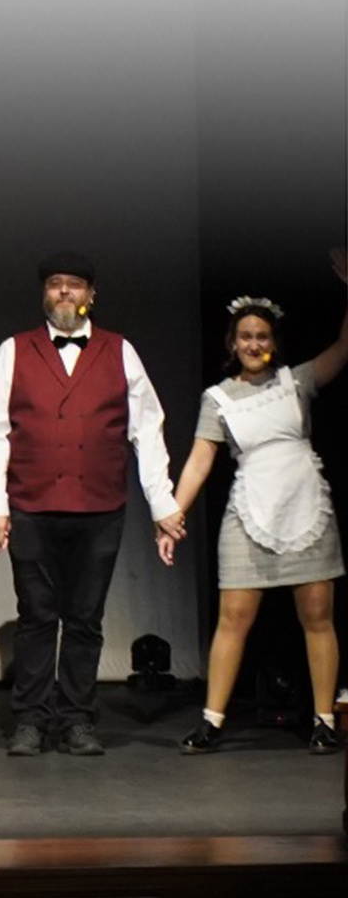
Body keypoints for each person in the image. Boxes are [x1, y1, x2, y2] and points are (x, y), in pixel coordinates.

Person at [0, 252, 184, 757]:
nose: (65, 292)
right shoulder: (13, 350)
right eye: (55, 284)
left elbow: (147, 430)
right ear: (44, 293)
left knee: (85, 618)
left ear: (91, 294)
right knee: (36, 616)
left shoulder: (120, 351)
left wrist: (162, 502)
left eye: (74, 284)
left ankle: (77, 719)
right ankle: (30, 719)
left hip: (99, 508)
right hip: (31, 506)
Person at [166, 252, 348, 756]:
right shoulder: (218, 398)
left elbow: (344, 348)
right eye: (245, 336)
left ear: (274, 343)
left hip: (306, 507)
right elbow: (200, 461)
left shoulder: (297, 381)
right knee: (233, 619)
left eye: (262, 336)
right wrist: (173, 514)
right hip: (249, 513)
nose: (253, 344)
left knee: (318, 617)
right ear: (232, 342)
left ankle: (324, 720)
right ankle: (212, 720)